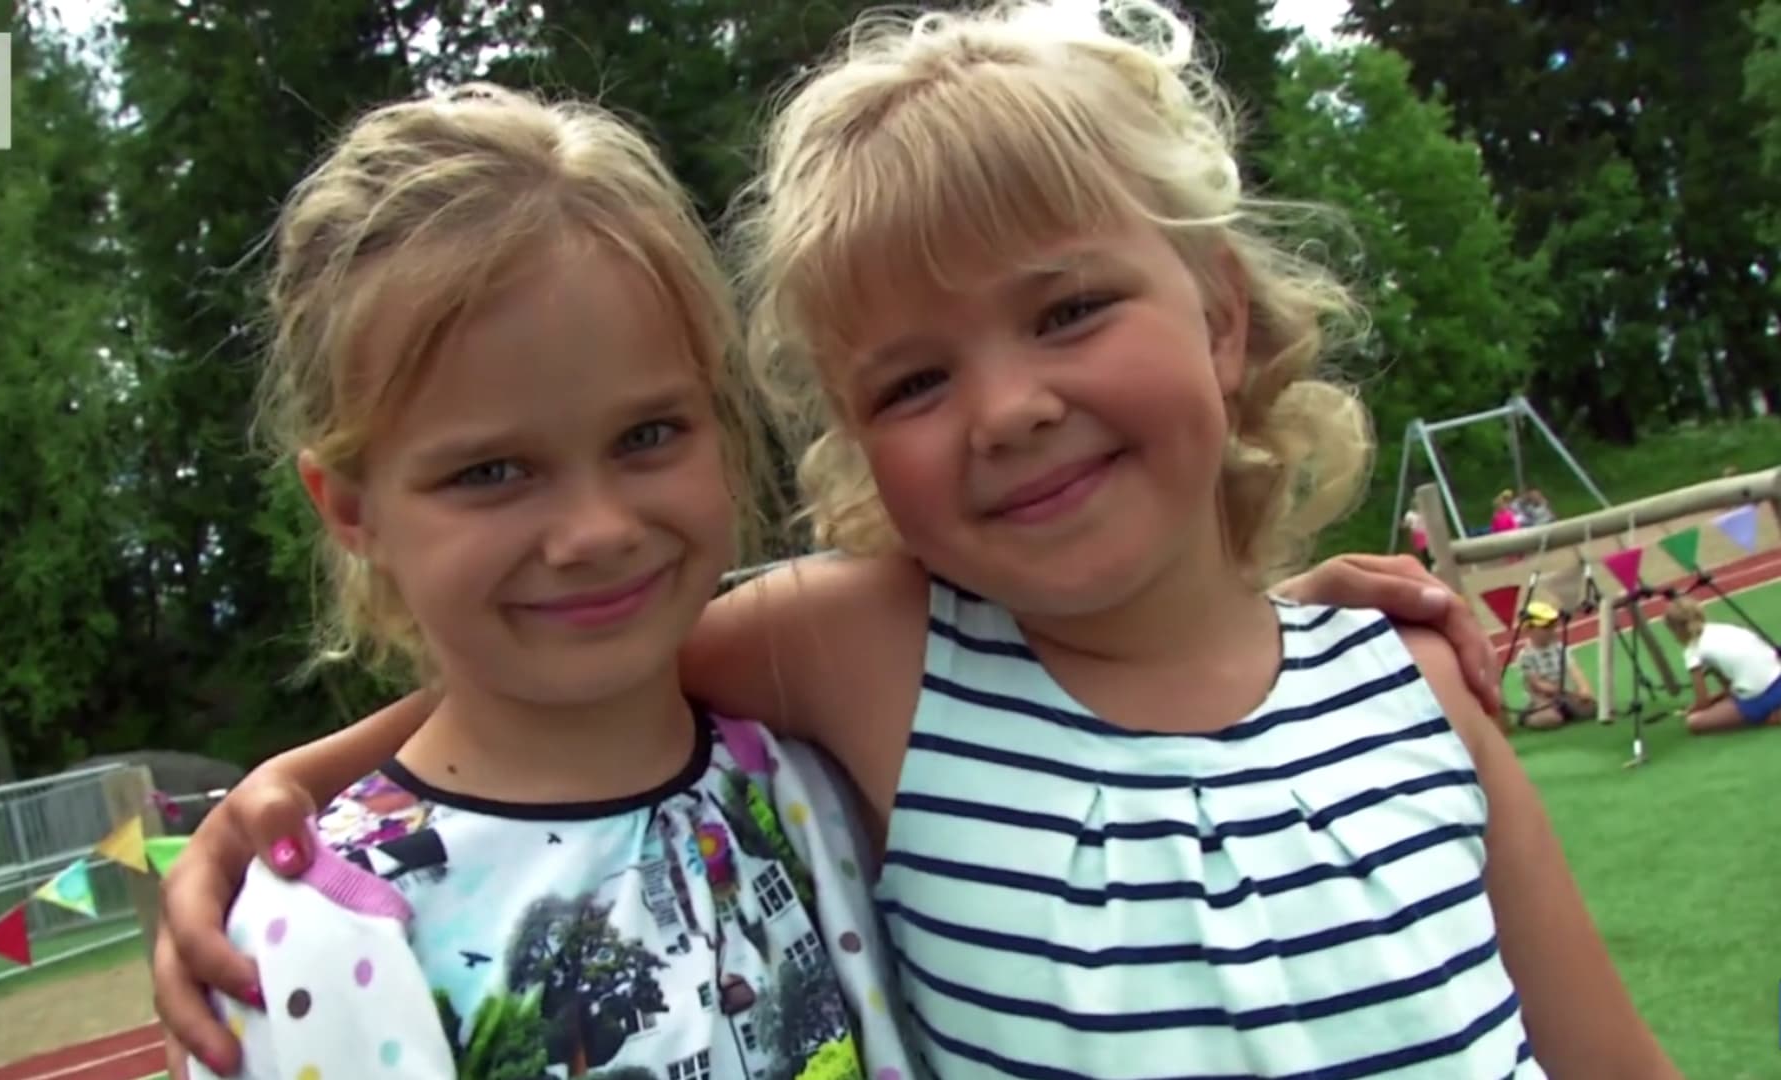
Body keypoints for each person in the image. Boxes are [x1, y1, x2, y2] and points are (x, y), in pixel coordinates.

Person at [155, 2, 1679, 1077]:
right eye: (914, 383)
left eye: (1068, 309)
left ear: (1221, 318)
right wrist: (292, 793)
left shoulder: (1413, 686)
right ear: (854, 442)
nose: (1009, 408)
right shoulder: (869, 659)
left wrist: (1293, 618)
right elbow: (572, 673)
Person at [178, 82, 914, 1080]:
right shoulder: (322, 932)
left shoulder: (800, 784)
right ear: (351, 509)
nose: (596, 530)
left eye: (646, 435)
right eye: (492, 471)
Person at [1663, 598, 1781, 734]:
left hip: (1757, 696)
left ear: (1676, 630)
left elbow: (1702, 702)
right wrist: (1717, 698)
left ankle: (1768, 715)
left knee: (1693, 722)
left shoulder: (1693, 650)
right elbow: (1729, 687)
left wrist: (1691, 710)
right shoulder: (1727, 627)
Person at [1513, 602, 1596, 729]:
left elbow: (1574, 669)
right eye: (1545, 627)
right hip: (1542, 699)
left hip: (1562, 695)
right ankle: (1528, 717)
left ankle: (1564, 711)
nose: (1551, 630)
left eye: (1553, 625)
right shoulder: (1526, 655)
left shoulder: (1559, 648)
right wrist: (1563, 692)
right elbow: (1537, 683)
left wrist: (1584, 689)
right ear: (1528, 629)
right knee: (1551, 719)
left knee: (1590, 708)